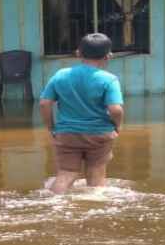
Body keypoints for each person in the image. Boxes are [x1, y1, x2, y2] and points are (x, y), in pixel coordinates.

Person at [39, 33, 124, 195]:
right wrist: (118, 126)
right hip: (99, 134)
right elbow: (115, 109)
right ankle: (95, 210)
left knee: (66, 173)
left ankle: (52, 203)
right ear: (109, 56)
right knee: (96, 173)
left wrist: (51, 128)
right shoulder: (109, 79)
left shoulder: (61, 75)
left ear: (78, 53)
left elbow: (44, 103)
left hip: (66, 133)